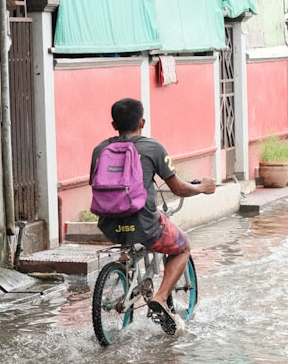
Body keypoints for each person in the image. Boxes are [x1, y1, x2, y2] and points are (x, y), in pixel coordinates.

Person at [89, 97, 215, 335]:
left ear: (114, 125)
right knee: (182, 247)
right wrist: (201, 187)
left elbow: (97, 187)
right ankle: (160, 297)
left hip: (109, 225)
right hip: (144, 224)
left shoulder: (99, 150)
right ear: (142, 122)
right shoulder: (153, 148)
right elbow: (178, 188)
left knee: (128, 236)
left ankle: (124, 266)